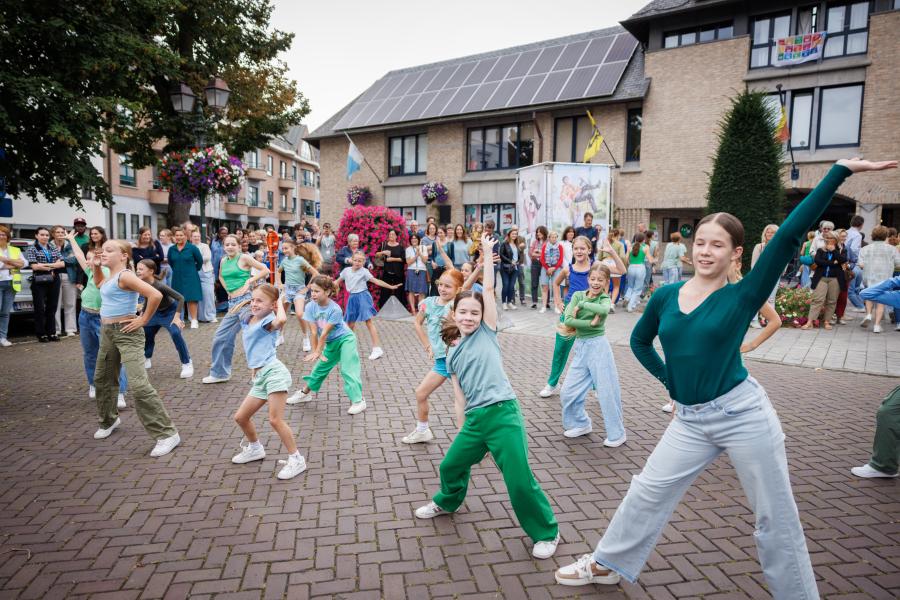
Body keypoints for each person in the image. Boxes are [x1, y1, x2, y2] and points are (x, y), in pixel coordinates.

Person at [554, 157, 896, 598]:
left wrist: (840, 171)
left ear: (736, 253)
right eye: (700, 242)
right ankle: (607, 564)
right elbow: (640, 343)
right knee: (646, 491)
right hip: (690, 420)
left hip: (742, 414)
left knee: (775, 516)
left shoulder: (744, 294)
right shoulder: (666, 296)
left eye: (717, 245)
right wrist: (670, 383)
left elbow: (790, 234)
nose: (704, 251)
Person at [413, 233, 560, 560]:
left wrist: (489, 254)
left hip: (503, 414)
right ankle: (448, 500)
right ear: (454, 314)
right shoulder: (451, 355)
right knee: (451, 465)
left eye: (473, 313)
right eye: (462, 312)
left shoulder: (487, 332)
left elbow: (489, 291)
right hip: (476, 421)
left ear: (481, 317)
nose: (468, 317)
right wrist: (463, 427)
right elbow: (459, 397)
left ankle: (547, 532)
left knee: (520, 482)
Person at [90, 239, 181, 458]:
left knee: (139, 386)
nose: (104, 253)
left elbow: (156, 295)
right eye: (103, 250)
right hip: (108, 333)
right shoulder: (112, 275)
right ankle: (109, 420)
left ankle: (167, 434)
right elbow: (100, 285)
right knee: (102, 379)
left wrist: (143, 320)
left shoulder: (126, 275)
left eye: (109, 250)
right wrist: (95, 266)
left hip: (127, 332)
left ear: (123, 256)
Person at [230, 283, 307, 480]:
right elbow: (241, 308)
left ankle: (297, 459)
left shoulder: (269, 322)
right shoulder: (248, 318)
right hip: (260, 377)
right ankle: (255, 448)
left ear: (272, 305)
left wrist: (279, 301)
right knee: (241, 417)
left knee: (275, 420)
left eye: (259, 301)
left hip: (274, 374)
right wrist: (251, 297)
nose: (254, 304)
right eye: (253, 299)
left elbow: (282, 318)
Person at [541, 237, 625, 399]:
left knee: (592, 351)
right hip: (571, 311)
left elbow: (622, 271)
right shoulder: (568, 269)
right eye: (576, 248)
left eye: (582, 248)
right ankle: (552, 383)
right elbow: (556, 283)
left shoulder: (596, 267)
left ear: (589, 250)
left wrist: (612, 252)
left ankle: (595, 386)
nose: (579, 251)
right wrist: (558, 301)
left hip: (590, 312)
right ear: (573, 251)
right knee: (560, 350)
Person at [558, 262, 624, 445]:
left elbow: (604, 309)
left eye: (600, 280)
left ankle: (617, 434)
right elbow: (568, 319)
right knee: (568, 391)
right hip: (581, 347)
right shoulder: (577, 294)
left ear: (606, 282)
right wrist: (591, 323)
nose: (596, 283)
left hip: (598, 347)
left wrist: (584, 305)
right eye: (593, 279)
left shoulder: (603, 298)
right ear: (588, 279)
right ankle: (581, 423)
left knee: (606, 392)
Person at [286, 275, 367, 414]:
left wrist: (318, 351)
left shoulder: (335, 309)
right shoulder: (310, 306)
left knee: (348, 369)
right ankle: (305, 394)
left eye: (317, 291)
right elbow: (313, 331)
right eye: (312, 291)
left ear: (328, 292)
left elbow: (323, 333)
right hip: (331, 342)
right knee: (319, 369)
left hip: (345, 339)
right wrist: (315, 351)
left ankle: (358, 401)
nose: (313, 294)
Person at [403, 268, 465, 444]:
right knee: (421, 393)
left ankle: (472, 442)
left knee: (464, 402)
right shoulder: (428, 303)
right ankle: (422, 430)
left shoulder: (457, 305)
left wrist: (479, 268)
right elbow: (417, 323)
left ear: (458, 290)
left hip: (457, 360)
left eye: (448, 286)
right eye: (441, 285)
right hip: (441, 362)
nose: (443, 289)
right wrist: (427, 345)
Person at [64, 230, 127, 404]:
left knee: (113, 355)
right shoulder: (90, 272)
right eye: (89, 259)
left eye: (92, 258)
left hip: (103, 318)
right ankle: (93, 384)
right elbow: (78, 255)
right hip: (85, 316)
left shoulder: (111, 273)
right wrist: (71, 240)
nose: (89, 261)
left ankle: (120, 392)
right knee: (90, 353)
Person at [203, 235, 271, 384]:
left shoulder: (244, 258)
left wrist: (249, 281)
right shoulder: (223, 260)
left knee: (252, 337)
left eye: (233, 244)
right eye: (227, 244)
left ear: (239, 246)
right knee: (221, 337)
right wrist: (228, 291)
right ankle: (220, 373)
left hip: (246, 302)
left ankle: (260, 374)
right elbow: (220, 276)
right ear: (223, 246)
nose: (230, 247)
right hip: (232, 303)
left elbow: (265, 270)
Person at [335, 250, 399, 361]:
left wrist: (391, 287)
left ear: (364, 262)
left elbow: (376, 281)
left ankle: (377, 349)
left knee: (368, 322)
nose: (357, 262)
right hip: (352, 298)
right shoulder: (346, 271)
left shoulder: (364, 271)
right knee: (350, 324)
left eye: (360, 261)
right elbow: (336, 282)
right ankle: (349, 349)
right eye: (355, 260)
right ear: (351, 260)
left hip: (363, 296)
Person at [135, 259, 193, 379]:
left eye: (141, 269)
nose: (137, 271)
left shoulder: (159, 285)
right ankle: (147, 357)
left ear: (151, 271)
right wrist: (143, 313)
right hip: (154, 312)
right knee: (147, 333)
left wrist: (177, 317)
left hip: (170, 312)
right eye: (137, 269)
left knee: (176, 333)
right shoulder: (142, 283)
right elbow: (148, 298)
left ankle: (187, 363)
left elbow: (181, 298)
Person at [278, 239, 321, 351]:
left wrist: (307, 288)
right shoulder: (284, 261)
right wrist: (280, 284)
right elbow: (278, 272)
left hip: (299, 291)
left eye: (286, 248)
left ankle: (305, 338)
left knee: (299, 313)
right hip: (287, 290)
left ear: (293, 248)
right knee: (281, 316)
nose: (284, 250)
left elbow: (315, 273)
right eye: (282, 248)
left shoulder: (300, 260)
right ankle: (280, 335)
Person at [24, 227, 64, 342]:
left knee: (52, 307)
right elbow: (35, 266)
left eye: (47, 235)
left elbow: (62, 263)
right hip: (39, 280)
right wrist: (52, 265)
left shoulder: (53, 247)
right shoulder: (32, 249)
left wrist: (44, 265)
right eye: (42, 235)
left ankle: (51, 333)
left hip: (53, 279)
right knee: (40, 308)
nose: (45, 237)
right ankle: (41, 334)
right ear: (36, 236)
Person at [858, 225, 900, 333]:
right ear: (886, 235)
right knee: (881, 300)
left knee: (868, 294)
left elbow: (861, 265)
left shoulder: (865, 249)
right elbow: (898, 264)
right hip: (885, 277)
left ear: (873, 235)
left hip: (869, 276)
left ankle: (868, 315)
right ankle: (877, 325)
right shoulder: (892, 249)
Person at [802, 231, 846, 330]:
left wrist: (834, 252)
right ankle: (810, 321)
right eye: (827, 238)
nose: (829, 240)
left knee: (832, 301)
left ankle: (827, 321)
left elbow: (843, 260)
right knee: (817, 299)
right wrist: (833, 262)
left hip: (835, 278)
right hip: (821, 277)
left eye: (831, 238)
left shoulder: (841, 250)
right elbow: (818, 261)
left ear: (836, 239)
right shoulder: (821, 250)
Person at [166, 226, 203, 329]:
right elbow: (171, 262)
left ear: (186, 236)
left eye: (181, 235)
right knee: (178, 299)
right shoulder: (171, 249)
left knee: (192, 298)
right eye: (177, 235)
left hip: (191, 276)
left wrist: (193, 270)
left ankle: (194, 320)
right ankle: (179, 320)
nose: (179, 237)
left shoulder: (192, 248)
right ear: (174, 237)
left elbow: (199, 261)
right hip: (177, 276)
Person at [0, 225, 26, 347]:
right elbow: (17, 264)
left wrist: (4, 260)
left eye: (4, 234)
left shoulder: (15, 250)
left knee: (5, 312)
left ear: (8, 236)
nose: (1, 236)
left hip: (11, 284)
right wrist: (13, 263)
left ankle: (3, 338)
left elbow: (23, 263)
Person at [749, 224, 780, 329]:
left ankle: (770, 321)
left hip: (774, 276)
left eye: (773, 232)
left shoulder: (780, 247)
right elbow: (754, 264)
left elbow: (783, 262)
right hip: (760, 277)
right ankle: (754, 320)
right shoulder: (759, 247)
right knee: (757, 298)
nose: (770, 234)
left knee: (771, 299)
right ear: (765, 233)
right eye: (768, 232)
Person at [50, 225, 78, 337]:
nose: (61, 234)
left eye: (62, 232)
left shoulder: (70, 245)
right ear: (53, 234)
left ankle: (70, 329)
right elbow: (48, 259)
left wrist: (60, 260)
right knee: (55, 304)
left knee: (70, 304)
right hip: (54, 277)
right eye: (58, 232)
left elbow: (74, 259)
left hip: (69, 276)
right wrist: (58, 262)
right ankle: (56, 329)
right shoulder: (49, 245)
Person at [191, 229, 217, 323]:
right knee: (196, 295)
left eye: (198, 236)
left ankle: (210, 316)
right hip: (193, 273)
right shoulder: (189, 247)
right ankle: (197, 317)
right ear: (191, 238)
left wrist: (194, 259)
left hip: (206, 272)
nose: (197, 238)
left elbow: (207, 258)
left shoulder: (205, 246)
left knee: (208, 294)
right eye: (194, 236)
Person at [623, 232, 653, 313]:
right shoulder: (646, 247)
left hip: (631, 267)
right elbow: (650, 260)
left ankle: (627, 297)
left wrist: (628, 264)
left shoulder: (630, 246)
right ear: (643, 240)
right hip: (640, 268)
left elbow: (625, 258)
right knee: (637, 289)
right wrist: (654, 261)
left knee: (630, 286)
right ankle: (630, 306)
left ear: (635, 239)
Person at [377, 229, 406, 310]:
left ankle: (400, 310)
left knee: (399, 291)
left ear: (396, 236)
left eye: (393, 234)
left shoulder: (400, 247)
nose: (391, 236)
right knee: (385, 291)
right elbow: (377, 255)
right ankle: (384, 309)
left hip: (398, 272)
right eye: (390, 234)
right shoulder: (384, 245)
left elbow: (403, 259)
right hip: (387, 271)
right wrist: (383, 252)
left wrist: (392, 259)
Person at [539, 231, 563, 314]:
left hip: (556, 268)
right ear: (549, 238)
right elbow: (542, 258)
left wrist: (554, 268)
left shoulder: (560, 247)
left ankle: (557, 306)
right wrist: (548, 268)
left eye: (555, 237)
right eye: (552, 237)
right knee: (545, 287)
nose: (554, 238)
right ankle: (544, 306)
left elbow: (560, 260)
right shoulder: (545, 246)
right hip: (545, 267)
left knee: (556, 287)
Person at [845, 215, 865, 311]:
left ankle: (861, 306)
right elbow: (854, 249)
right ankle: (861, 306)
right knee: (855, 289)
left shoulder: (845, 232)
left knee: (852, 289)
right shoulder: (857, 235)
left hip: (847, 264)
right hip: (854, 264)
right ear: (861, 224)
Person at [405, 234, 429, 314]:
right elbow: (408, 262)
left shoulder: (424, 247)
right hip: (411, 270)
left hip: (422, 270)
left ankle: (420, 310)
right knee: (411, 291)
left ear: (418, 240)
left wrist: (420, 252)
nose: (414, 240)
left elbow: (425, 261)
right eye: (412, 238)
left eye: (415, 238)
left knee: (422, 291)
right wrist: (416, 255)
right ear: (410, 240)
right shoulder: (408, 249)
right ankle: (413, 310)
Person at [429, 226, 453, 297]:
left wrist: (449, 265)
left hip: (446, 269)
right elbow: (433, 256)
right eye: (438, 233)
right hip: (437, 268)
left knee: (445, 286)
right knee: (435, 286)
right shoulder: (434, 243)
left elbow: (452, 258)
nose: (439, 234)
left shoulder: (450, 244)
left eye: (441, 232)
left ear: (445, 233)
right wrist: (432, 262)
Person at [528, 226, 548, 309]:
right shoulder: (534, 242)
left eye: (540, 232)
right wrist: (539, 253)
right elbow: (531, 253)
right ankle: (534, 302)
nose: (538, 233)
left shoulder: (547, 242)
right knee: (534, 283)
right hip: (535, 264)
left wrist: (537, 252)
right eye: (537, 232)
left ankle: (546, 302)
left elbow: (547, 254)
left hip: (544, 264)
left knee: (545, 283)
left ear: (544, 232)